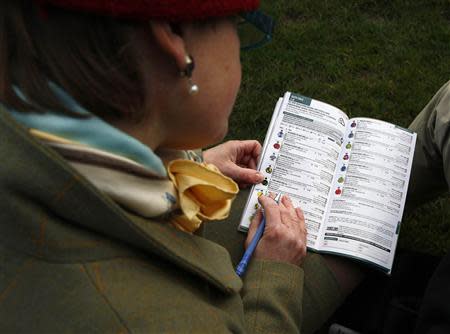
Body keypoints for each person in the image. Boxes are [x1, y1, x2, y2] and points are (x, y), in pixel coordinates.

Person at [0, 1, 363, 333]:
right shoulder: (167, 320)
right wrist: (273, 276)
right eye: (237, 24)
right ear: (172, 37)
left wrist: (187, 163)